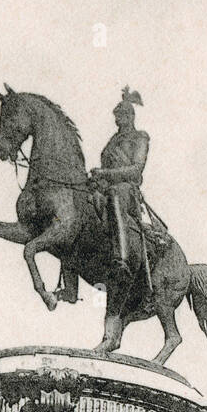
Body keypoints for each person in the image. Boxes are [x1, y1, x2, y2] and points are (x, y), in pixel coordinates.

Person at [89, 86, 149, 278]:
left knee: (114, 194)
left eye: (120, 116)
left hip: (126, 189)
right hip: (106, 185)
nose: (117, 120)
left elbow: (136, 169)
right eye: (116, 116)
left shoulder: (140, 137)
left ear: (130, 116)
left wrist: (105, 173)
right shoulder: (112, 140)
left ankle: (121, 257)